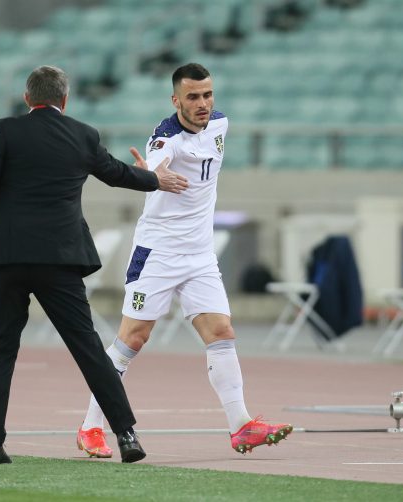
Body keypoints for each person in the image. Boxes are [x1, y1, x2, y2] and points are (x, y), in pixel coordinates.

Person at [0, 65, 189, 464]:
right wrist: (152, 179)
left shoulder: (4, 131)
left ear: (27, 98)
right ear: (65, 100)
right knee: (87, 347)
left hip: (5, 256)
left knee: (1, 347)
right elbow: (115, 174)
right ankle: (126, 435)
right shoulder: (83, 134)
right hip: (59, 257)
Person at [76, 63, 293, 459]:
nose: (202, 103)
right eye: (193, 97)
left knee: (221, 331)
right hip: (157, 254)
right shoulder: (165, 138)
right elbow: (156, 163)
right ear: (176, 100)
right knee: (132, 340)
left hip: (200, 255)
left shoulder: (220, 124)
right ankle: (90, 426)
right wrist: (147, 175)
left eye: (207, 94)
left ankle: (241, 425)